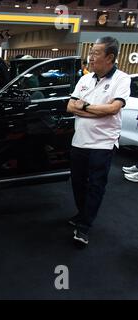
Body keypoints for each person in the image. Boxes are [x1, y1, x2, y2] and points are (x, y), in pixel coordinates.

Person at [66, 37, 130, 246]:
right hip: (79, 142)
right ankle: (82, 213)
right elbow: (70, 106)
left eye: (95, 53)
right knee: (77, 183)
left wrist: (83, 107)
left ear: (109, 57)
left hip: (102, 144)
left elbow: (113, 109)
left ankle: (84, 227)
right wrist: (95, 111)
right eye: (91, 52)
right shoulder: (85, 79)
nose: (90, 57)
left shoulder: (121, 79)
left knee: (95, 185)